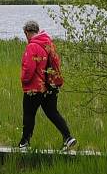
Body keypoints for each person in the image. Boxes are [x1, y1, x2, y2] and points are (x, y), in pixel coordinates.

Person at [18, 20, 76, 151]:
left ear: (26, 32)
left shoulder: (32, 46)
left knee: (29, 114)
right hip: (50, 86)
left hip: (35, 87)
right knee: (52, 112)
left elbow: (29, 69)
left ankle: (24, 143)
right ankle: (68, 137)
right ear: (37, 31)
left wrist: (24, 80)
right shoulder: (49, 44)